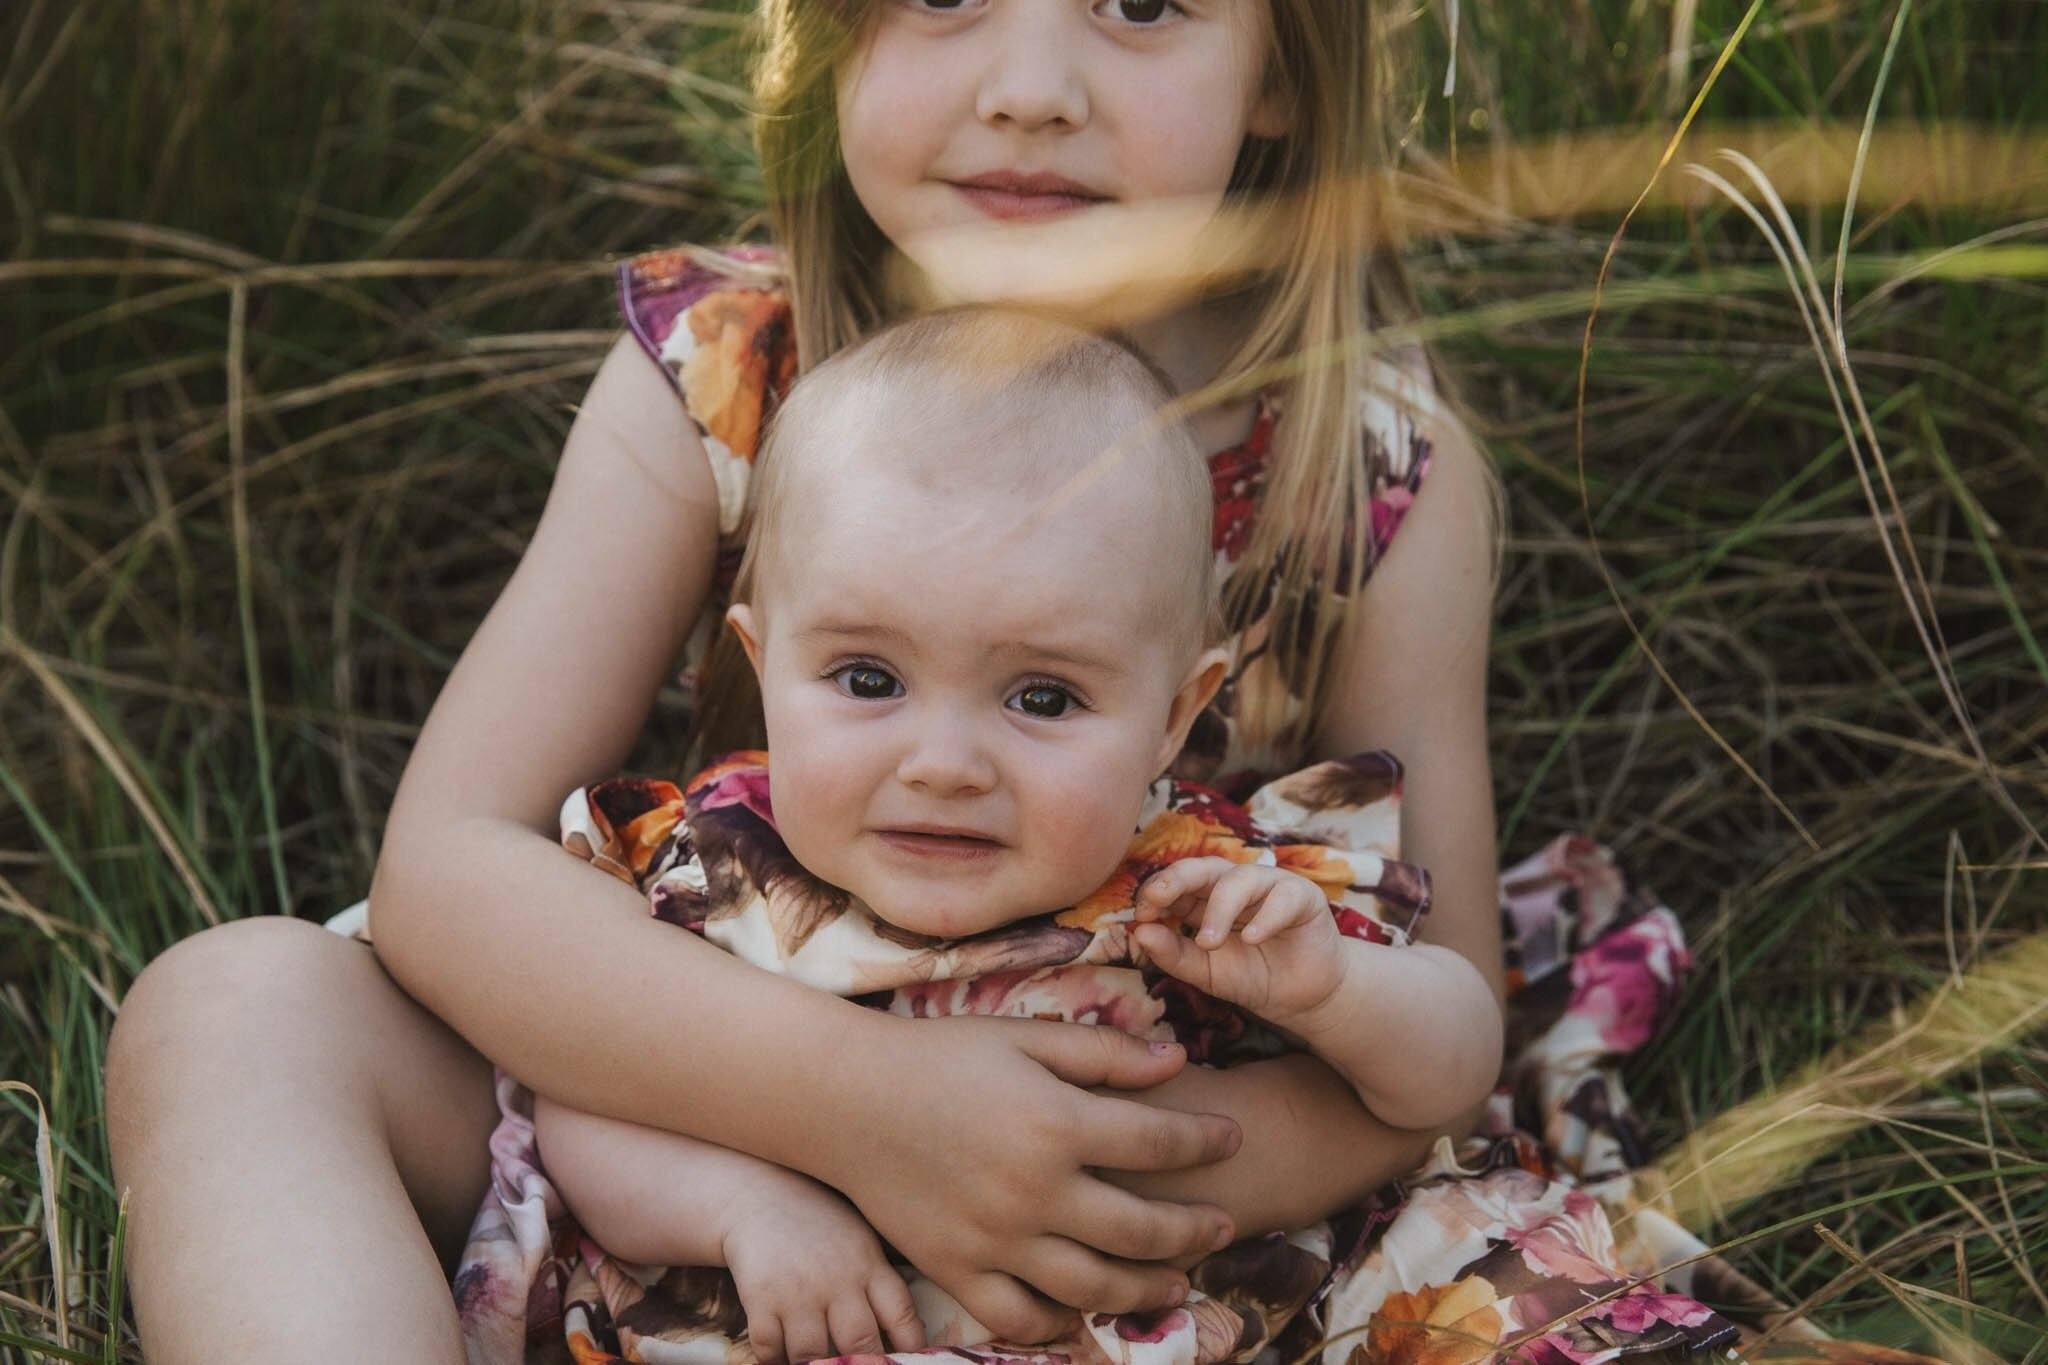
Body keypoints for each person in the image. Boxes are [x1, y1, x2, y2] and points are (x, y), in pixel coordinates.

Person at [102, 1, 1908, 1360]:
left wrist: (1065, 1194)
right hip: (717, 1099)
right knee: (233, 1011)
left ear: (1282, 63)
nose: (1032, 80)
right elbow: (447, 869)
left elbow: (1443, 1005)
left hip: (1175, 1170)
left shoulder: (1361, 469)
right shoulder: (728, 367)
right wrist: (859, 1118)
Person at [464, 307, 1501, 1363]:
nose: (943, 763)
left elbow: (1453, 1065)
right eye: (867, 680)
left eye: (1043, 699)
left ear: (1173, 718)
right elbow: (584, 1102)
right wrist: (742, 1207)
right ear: (762, 664)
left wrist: (1335, 991)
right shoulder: (717, 871)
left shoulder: (1199, 883)